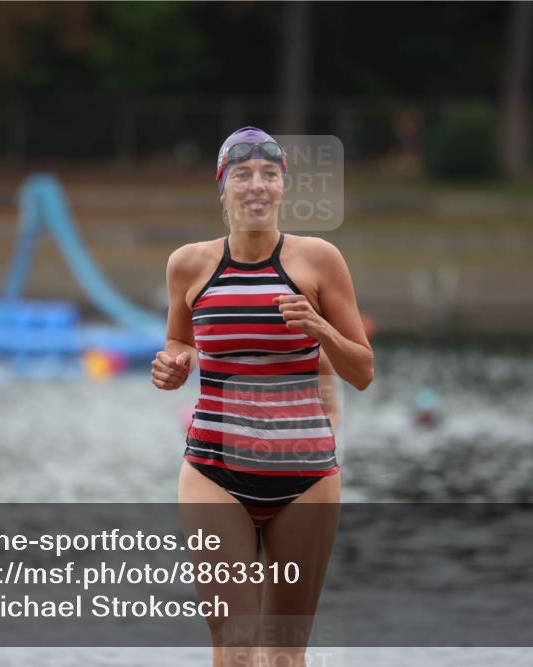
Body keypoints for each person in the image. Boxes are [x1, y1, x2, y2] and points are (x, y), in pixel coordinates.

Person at [151, 127, 373, 666]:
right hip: (213, 470)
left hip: (306, 477)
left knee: (283, 653)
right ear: (222, 187)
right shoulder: (189, 264)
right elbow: (179, 338)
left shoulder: (319, 260)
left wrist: (320, 328)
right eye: (243, 175)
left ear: (282, 188)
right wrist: (173, 363)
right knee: (237, 644)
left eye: (269, 175)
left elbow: (362, 371)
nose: (257, 186)